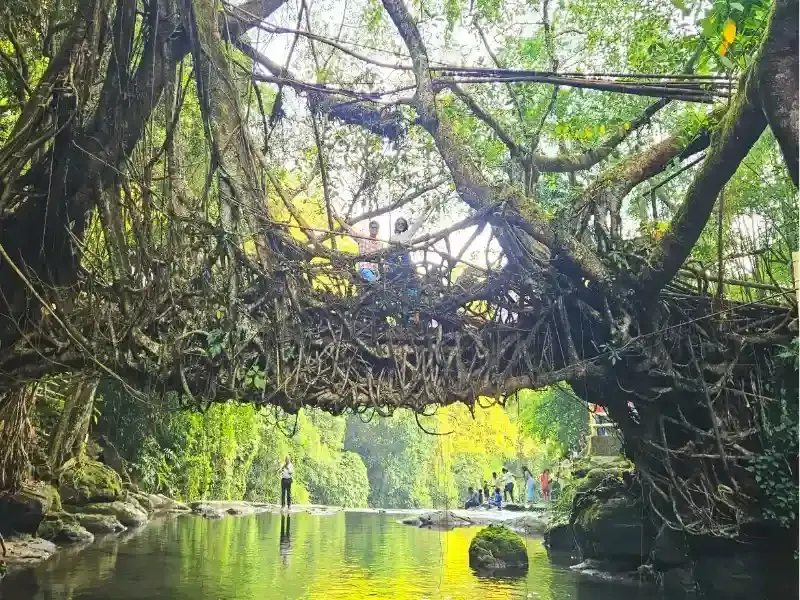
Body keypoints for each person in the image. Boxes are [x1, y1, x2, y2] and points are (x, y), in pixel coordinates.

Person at [338, 218, 383, 282]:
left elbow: (381, 258)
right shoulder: (363, 238)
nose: (374, 229)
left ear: (378, 230)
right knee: (372, 281)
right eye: (373, 227)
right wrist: (337, 218)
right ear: (369, 229)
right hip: (364, 267)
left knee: (381, 281)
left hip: (375, 269)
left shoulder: (380, 244)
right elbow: (350, 230)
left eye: (376, 228)